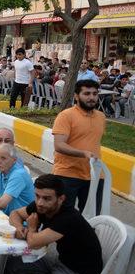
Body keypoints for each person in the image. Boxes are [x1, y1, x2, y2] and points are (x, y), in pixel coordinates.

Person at [9, 174, 103, 274]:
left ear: (61, 199)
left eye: (47, 198)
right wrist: (20, 228)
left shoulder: (68, 218)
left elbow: (33, 243)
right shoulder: (42, 206)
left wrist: (31, 227)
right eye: (37, 196)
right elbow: (15, 214)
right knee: (15, 262)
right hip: (63, 264)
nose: (40, 203)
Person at [52, 79, 105, 212]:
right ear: (76, 96)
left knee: (92, 217)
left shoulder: (101, 116)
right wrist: (83, 153)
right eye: (86, 94)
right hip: (67, 174)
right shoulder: (66, 116)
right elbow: (59, 145)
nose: (92, 97)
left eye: (94, 94)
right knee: (61, 216)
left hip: (95, 174)